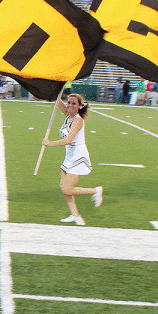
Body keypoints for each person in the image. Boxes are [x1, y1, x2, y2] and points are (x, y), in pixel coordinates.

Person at [42, 93, 102, 226]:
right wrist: (55, 90)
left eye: (74, 103)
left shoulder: (77, 120)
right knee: (64, 188)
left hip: (78, 156)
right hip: (69, 156)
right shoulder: (68, 115)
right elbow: (59, 102)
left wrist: (49, 143)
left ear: (80, 106)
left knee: (66, 189)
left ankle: (95, 191)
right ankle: (75, 216)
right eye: (69, 102)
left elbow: (69, 140)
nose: (70, 105)